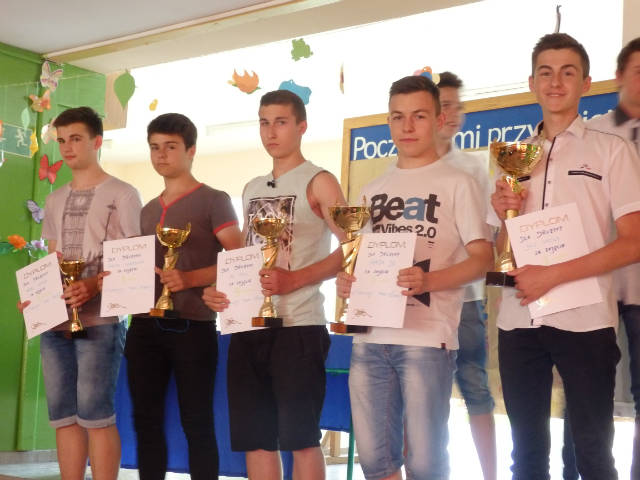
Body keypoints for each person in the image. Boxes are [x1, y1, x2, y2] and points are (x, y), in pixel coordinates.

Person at [490, 33, 640, 480]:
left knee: (592, 455)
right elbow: (501, 252)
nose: (555, 82)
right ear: (532, 83)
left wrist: (552, 274)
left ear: (586, 83)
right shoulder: (511, 157)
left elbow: (633, 241)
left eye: (567, 72)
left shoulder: (612, 150)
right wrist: (502, 217)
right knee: (526, 458)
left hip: (586, 321)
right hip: (518, 320)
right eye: (546, 73)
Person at [337, 75, 493, 480]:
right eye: (397, 117)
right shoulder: (372, 189)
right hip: (369, 339)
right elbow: (360, 260)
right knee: (375, 462)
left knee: (425, 463)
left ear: (439, 120)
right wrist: (348, 282)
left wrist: (429, 281)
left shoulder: (459, 183)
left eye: (418, 116)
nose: (407, 127)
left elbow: (483, 259)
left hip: (427, 338)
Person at [202, 89, 346, 480]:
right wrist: (223, 291)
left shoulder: (319, 181)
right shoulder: (252, 187)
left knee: (301, 439)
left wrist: (295, 279)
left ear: (301, 127)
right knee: (256, 440)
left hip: (299, 325)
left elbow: (353, 246)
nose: (271, 131)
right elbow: (247, 257)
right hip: (249, 326)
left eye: (280, 122)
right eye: (264, 122)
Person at [18, 106, 142, 480]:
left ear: (97, 141)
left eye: (76, 139)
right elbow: (53, 259)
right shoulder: (54, 198)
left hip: (101, 320)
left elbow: (134, 262)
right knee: (63, 416)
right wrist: (37, 298)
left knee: (96, 415)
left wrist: (93, 284)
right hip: (56, 322)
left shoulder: (123, 193)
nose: (67, 148)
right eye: (61, 141)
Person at [123, 113, 243, 480]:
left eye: (171, 147)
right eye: (154, 147)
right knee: (145, 420)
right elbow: (135, 267)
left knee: (197, 421)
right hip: (143, 324)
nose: (161, 155)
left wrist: (189, 278)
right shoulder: (146, 211)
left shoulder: (214, 200)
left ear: (191, 151)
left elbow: (240, 257)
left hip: (193, 325)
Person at [558, 36, 640, 480]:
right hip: (590, 287)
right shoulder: (591, 135)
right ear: (618, 76)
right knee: (585, 396)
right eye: (639, 71)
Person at [436, 71, 497, 480]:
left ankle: (490, 475)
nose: (453, 114)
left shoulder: (473, 167)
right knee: (425, 396)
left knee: (476, 390)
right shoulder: (401, 167)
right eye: (445, 106)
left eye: (458, 106)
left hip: (467, 298)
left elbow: (489, 230)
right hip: (420, 303)